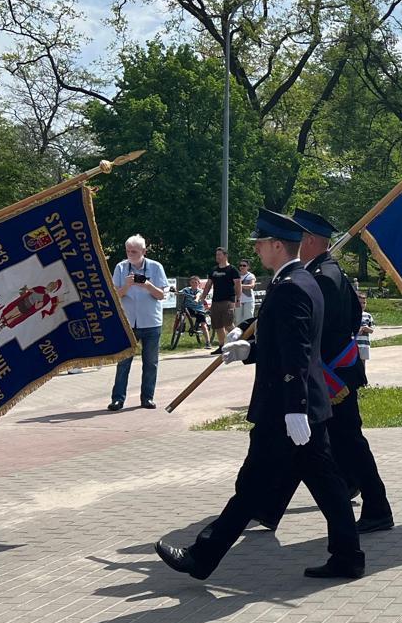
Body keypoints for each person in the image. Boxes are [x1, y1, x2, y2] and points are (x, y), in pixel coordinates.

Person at [155, 209, 364, 581]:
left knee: (252, 487)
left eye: (261, 243)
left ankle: (202, 557)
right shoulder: (300, 280)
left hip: (286, 409)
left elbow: (299, 351)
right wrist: (250, 352)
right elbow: (284, 344)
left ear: (277, 245)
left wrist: (296, 408)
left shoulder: (293, 286)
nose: (257, 248)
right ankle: (348, 556)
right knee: (327, 485)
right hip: (296, 406)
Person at [256, 209, 395, 536]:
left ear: (309, 240)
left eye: (298, 237)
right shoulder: (327, 272)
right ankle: (269, 506)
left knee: (345, 443)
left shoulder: (323, 278)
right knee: (312, 445)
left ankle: (377, 507)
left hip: (333, 379)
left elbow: (313, 332)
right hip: (331, 376)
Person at [109, 234, 168, 411]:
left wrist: (147, 285)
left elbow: (162, 295)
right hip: (128, 323)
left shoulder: (156, 267)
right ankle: (118, 399)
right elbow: (115, 296)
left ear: (143, 251)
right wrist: (127, 286)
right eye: (128, 251)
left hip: (151, 321)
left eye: (134, 251)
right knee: (123, 362)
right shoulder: (121, 267)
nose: (130, 254)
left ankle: (147, 398)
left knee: (150, 363)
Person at [203, 246, 240, 345]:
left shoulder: (232, 270)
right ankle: (222, 346)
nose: (217, 257)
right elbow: (208, 285)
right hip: (216, 301)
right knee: (218, 325)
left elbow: (237, 285)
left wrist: (237, 299)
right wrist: (202, 296)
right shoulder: (213, 270)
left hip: (228, 300)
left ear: (225, 255)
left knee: (228, 324)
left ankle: (240, 342)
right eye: (216, 255)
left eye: (219, 255)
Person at [237, 259, 257, 324]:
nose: (242, 267)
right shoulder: (236, 275)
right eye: (240, 265)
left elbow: (252, 285)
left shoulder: (251, 275)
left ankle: (249, 334)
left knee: (248, 319)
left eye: (244, 265)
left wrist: (239, 285)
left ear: (248, 267)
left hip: (249, 300)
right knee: (238, 320)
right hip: (238, 300)